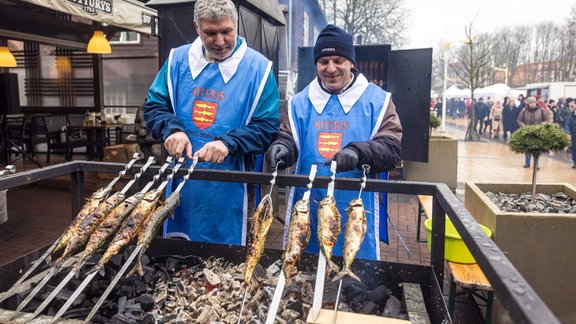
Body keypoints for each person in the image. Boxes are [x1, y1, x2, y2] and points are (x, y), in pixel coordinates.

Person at [144, 0, 279, 245]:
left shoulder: (259, 69)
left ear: (236, 24)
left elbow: (267, 127)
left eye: (226, 31)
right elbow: (155, 106)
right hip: (183, 184)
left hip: (235, 187)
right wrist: (171, 130)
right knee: (178, 258)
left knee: (231, 266)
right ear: (197, 27)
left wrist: (229, 143)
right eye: (210, 33)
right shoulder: (177, 61)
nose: (219, 41)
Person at [265, 25, 402, 261]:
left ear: (351, 62)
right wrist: (283, 148)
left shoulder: (377, 100)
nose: (331, 69)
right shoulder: (300, 102)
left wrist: (359, 152)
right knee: (304, 272)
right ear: (316, 64)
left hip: (356, 203)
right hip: (308, 202)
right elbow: (290, 137)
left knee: (355, 275)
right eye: (324, 61)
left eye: (338, 60)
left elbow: (392, 148)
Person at [517, 97, 548, 168]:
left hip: (538, 132)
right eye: (531, 103)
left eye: (533, 103)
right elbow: (519, 120)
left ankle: (536, 164)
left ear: (536, 103)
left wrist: (541, 126)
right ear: (528, 103)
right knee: (527, 148)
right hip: (527, 132)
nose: (532, 104)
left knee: (537, 149)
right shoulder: (524, 110)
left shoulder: (541, 110)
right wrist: (524, 127)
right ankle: (527, 163)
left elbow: (546, 120)